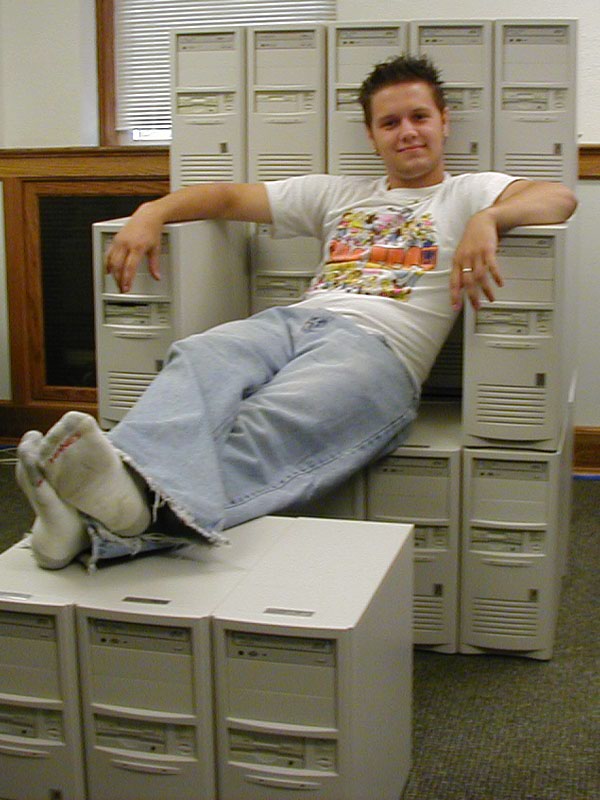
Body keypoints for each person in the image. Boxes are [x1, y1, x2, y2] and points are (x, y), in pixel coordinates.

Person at [16, 55, 577, 569]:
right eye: (390, 123)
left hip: (377, 352)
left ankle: (90, 523)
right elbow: (228, 199)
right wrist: (152, 211)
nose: (407, 131)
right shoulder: (338, 194)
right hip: (288, 324)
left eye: (419, 117)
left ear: (443, 122)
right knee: (200, 357)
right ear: (372, 135)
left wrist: (489, 218)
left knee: (269, 423)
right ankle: (107, 502)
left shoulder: (470, 192)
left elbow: (559, 197)